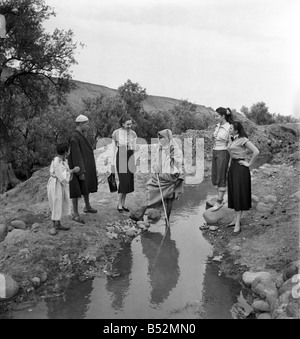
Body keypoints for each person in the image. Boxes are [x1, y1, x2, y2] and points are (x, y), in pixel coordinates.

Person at [130, 129, 184, 223]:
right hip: (159, 176)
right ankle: (140, 215)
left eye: (162, 137)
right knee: (150, 192)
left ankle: (167, 220)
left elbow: (177, 164)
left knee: (169, 199)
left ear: (168, 138)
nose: (160, 139)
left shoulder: (175, 149)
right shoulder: (160, 148)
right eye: (159, 138)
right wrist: (156, 167)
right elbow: (157, 161)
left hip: (170, 177)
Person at [227, 121, 259, 235]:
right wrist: (229, 168)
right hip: (233, 169)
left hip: (241, 169)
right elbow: (231, 155)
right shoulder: (232, 139)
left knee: (238, 195)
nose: (229, 129)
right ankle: (235, 219)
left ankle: (237, 225)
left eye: (231, 127)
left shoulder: (243, 139)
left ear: (236, 130)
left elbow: (256, 151)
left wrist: (249, 164)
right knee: (234, 194)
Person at [68, 114, 98, 224]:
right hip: (78, 168)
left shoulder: (80, 134)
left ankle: (87, 206)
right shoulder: (74, 137)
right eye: (87, 124)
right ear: (81, 124)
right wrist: (80, 171)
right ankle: (75, 213)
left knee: (86, 186)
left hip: (84, 166)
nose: (88, 126)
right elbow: (76, 154)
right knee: (76, 190)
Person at [47, 143, 80, 235]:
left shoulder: (63, 160)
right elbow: (62, 176)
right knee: (55, 203)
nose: (69, 152)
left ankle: (58, 223)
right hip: (55, 184)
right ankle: (53, 225)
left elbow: (65, 173)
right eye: (68, 150)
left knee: (59, 203)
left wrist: (71, 171)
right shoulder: (57, 161)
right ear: (65, 151)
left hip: (59, 184)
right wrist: (73, 170)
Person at [112, 114, 137, 213]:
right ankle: (119, 204)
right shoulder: (116, 133)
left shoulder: (133, 133)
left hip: (130, 156)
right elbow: (113, 147)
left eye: (130, 124)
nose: (130, 126)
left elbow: (134, 148)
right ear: (122, 124)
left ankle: (123, 204)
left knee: (128, 182)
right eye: (127, 124)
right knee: (123, 180)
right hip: (121, 156)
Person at [210, 107, 233, 211]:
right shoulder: (218, 126)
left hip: (223, 152)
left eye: (217, 115)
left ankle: (218, 202)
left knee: (221, 176)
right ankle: (221, 198)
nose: (216, 117)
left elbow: (231, 143)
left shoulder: (229, 127)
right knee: (215, 175)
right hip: (215, 151)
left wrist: (230, 158)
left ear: (223, 116)